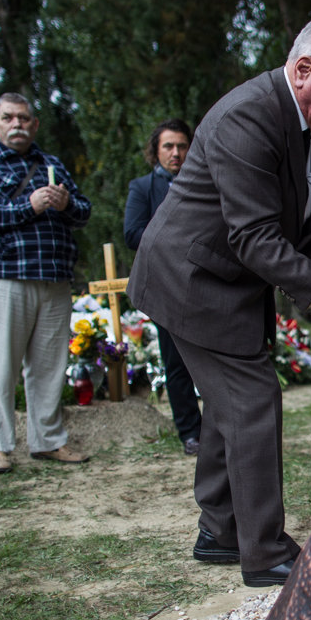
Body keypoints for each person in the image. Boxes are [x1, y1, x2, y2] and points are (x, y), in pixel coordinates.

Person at [126, 10, 311, 587]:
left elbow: (303, 209)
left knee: (231, 407)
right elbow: (253, 235)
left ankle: (220, 531)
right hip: (191, 282)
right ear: (303, 69)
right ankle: (265, 552)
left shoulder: (303, 122)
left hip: (224, 280)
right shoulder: (247, 116)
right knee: (251, 400)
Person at [0, 92, 93, 474]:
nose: (17, 124)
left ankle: (47, 441)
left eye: (24, 118)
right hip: (5, 275)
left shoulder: (50, 163)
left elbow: (84, 211)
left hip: (54, 276)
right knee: (1, 365)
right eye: (8, 117)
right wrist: (27, 205)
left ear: (34, 124)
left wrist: (65, 205)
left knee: (49, 367)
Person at [124, 119, 203, 455]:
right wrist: (175, 240)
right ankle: (190, 432)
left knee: (211, 362)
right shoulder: (143, 188)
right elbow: (132, 233)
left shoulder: (205, 181)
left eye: (182, 146)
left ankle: (219, 429)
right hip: (166, 288)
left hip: (205, 284)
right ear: (155, 152)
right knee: (177, 362)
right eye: (168, 146)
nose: (176, 153)